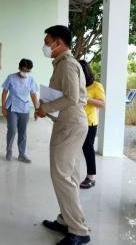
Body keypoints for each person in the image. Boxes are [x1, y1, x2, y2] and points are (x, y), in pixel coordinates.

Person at [35, 25, 90, 244]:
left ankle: (78, 231)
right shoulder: (62, 64)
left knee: (62, 176)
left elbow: (72, 98)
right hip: (69, 124)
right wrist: (46, 106)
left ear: (59, 43)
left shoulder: (66, 65)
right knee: (71, 175)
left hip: (69, 125)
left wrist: (44, 108)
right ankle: (66, 220)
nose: (45, 46)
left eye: (48, 42)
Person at [1, 58, 38, 163]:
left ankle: (22, 154)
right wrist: (3, 107)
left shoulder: (31, 80)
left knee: (23, 133)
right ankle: (9, 151)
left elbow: (33, 94)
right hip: (12, 107)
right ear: (19, 67)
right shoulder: (11, 77)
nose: (25, 72)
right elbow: (4, 92)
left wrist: (36, 109)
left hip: (24, 108)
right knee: (12, 130)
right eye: (23, 69)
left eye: (28, 71)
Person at [78, 60, 105, 189]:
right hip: (76, 121)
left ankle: (91, 177)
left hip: (89, 123)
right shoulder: (77, 85)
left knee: (87, 149)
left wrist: (86, 98)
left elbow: (102, 104)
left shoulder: (96, 86)